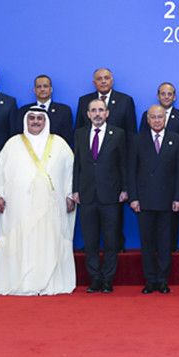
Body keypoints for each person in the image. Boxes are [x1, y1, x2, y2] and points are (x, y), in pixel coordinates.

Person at [0, 107, 76, 295]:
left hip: (50, 206)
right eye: (32, 118)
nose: (35, 121)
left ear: (46, 121)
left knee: (49, 241)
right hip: (19, 205)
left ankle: (49, 281)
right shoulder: (13, 143)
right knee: (22, 240)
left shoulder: (59, 144)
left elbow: (71, 171)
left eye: (39, 118)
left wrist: (70, 195)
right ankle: (22, 281)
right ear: (25, 121)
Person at [75, 68, 137, 252]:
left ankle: (117, 243)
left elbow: (131, 135)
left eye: (106, 78)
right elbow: (79, 137)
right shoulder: (84, 101)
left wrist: (126, 180)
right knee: (90, 224)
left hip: (114, 169)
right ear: (94, 82)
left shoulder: (125, 100)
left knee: (114, 217)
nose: (103, 81)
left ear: (112, 80)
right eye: (99, 79)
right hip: (89, 176)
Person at [128, 105, 179, 294]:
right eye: (153, 117)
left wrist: (178, 197)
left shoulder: (176, 139)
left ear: (165, 119)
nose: (157, 120)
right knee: (147, 243)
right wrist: (133, 198)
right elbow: (131, 171)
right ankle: (150, 280)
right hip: (144, 201)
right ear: (147, 120)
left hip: (167, 200)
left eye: (160, 117)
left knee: (165, 242)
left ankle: (162, 280)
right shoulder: (137, 140)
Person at [73, 99, 128, 294]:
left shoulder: (118, 133)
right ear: (88, 114)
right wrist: (75, 189)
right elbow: (77, 164)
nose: (97, 114)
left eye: (101, 110)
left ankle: (107, 279)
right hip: (86, 194)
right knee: (90, 241)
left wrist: (125, 189)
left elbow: (123, 163)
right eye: (94, 110)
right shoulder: (80, 134)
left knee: (111, 241)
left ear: (107, 113)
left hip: (111, 195)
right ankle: (95, 279)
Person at [139, 82, 179, 253]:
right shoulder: (147, 115)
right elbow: (142, 143)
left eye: (170, 94)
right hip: (149, 179)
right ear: (158, 96)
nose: (166, 96)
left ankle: (172, 246)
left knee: (171, 217)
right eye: (163, 93)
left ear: (174, 97)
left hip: (172, 175)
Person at [18, 75, 74, 144]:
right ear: (35, 90)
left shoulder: (64, 110)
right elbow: (20, 136)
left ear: (51, 89)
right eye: (39, 87)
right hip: (29, 149)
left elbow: (67, 138)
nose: (42, 89)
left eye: (45, 86)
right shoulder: (24, 111)